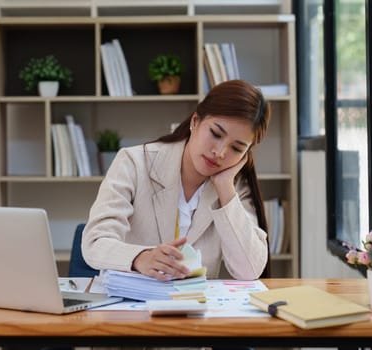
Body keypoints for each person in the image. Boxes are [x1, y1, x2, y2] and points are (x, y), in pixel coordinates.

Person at [82, 79, 270, 281]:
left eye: (236, 148)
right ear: (195, 122)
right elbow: (95, 242)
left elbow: (249, 270)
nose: (220, 152)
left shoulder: (234, 186)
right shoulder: (134, 162)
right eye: (215, 134)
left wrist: (225, 188)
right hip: (132, 304)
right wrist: (140, 258)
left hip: (195, 306)